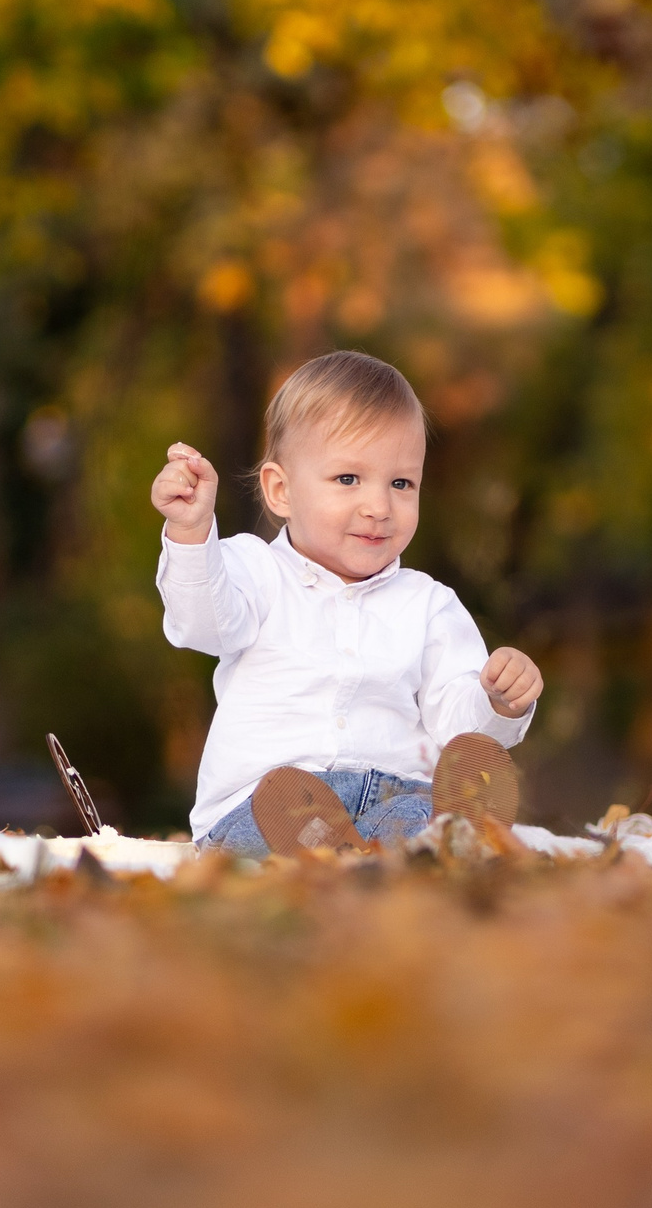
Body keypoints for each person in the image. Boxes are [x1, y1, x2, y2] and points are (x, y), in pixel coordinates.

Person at [151, 350, 543, 856]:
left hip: (393, 794)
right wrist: (189, 532)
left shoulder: (428, 604)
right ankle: (359, 853)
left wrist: (498, 701)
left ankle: (427, 840)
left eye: (401, 483)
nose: (379, 507)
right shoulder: (252, 570)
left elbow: (455, 720)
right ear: (281, 490)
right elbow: (199, 622)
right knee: (264, 832)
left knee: (423, 813)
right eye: (348, 479)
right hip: (268, 804)